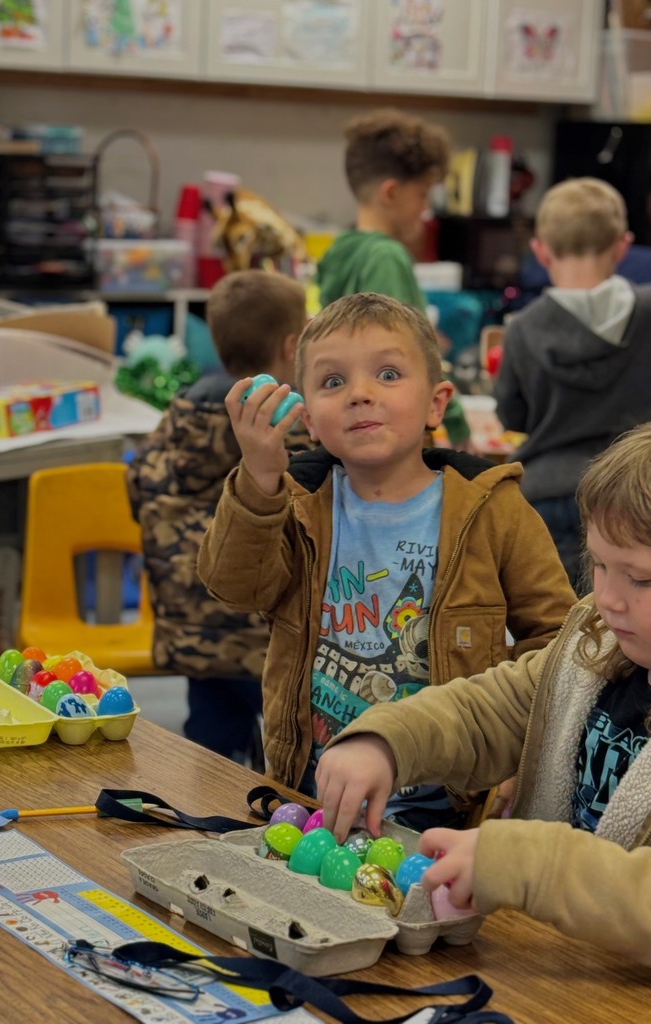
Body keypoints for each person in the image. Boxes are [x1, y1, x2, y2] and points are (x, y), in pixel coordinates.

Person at [198, 292, 575, 828]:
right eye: (333, 381)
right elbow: (234, 586)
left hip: (446, 804)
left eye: (389, 374)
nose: (359, 395)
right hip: (312, 793)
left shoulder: (492, 508)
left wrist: (522, 755)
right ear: (307, 417)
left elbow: (557, 641)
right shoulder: (297, 502)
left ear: (437, 404)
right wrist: (258, 477)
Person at [315, 422, 651, 966]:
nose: (608, 599)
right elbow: (487, 710)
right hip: (553, 963)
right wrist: (386, 740)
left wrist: (525, 866)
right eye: (601, 566)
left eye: (641, 579)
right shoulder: (596, 645)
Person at [126, 269, 310, 766]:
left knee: (210, 752)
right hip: (270, 636)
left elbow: (136, 488)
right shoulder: (292, 431)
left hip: (194, 633)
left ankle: (207, 824)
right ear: (292, 345)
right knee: (294, 748)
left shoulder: (175, 419)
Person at [494, 177, 651, 591]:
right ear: (622, 245)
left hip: (544, 494)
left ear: (540, 251)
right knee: (620, 627)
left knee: (555, 625)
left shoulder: (523, 328)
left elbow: (512, 414)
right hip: (635, 492)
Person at [316, 108, 470, 449]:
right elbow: (415, 352)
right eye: (422, 194)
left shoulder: (338, 250)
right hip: (389, 434)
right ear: (391, 193)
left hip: (351, 428)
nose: (426, 209)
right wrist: (456, 423)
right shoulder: (387, 256)